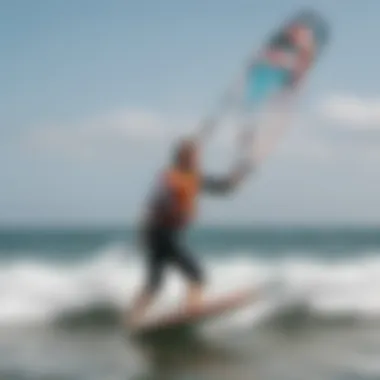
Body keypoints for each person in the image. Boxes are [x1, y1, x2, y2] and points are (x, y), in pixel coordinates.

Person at [127, 135, 254, 328]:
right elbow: (152, 207)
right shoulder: (169, 178)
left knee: (154, 284)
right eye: (194, 156)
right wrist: (143, 234)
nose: (198, 159)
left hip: (160, 234)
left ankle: (132, 321)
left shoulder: (193, 177)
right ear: (183, 157)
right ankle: (192, 308)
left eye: (197, 156)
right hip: (161, 234)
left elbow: (224, 187)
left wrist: (241, 173)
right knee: (196, 275)